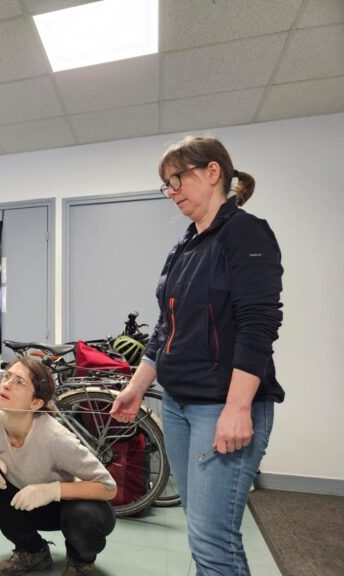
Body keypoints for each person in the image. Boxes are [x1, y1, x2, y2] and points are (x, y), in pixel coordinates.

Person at [111, 136, 284, 576]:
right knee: (203, 531)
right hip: (178, 404)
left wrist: (238, 406)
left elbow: (258, 325)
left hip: (220, 407)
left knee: (213, 541)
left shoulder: (245, 232)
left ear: (212, 172)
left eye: (177, 179)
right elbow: (165, 328)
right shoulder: (185, 247)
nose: (171, 192)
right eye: (166, 185)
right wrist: (136, 387)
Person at [0, 357, 117, 576]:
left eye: (19, 382)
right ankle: (33, 552)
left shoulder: (55, 437)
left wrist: (52, 490)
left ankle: (80, 562)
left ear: (36, 403)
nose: (6, 384)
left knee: (82, 515)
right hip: (28, 502)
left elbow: (108, 487)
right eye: (7, 376)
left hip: (68, 508)